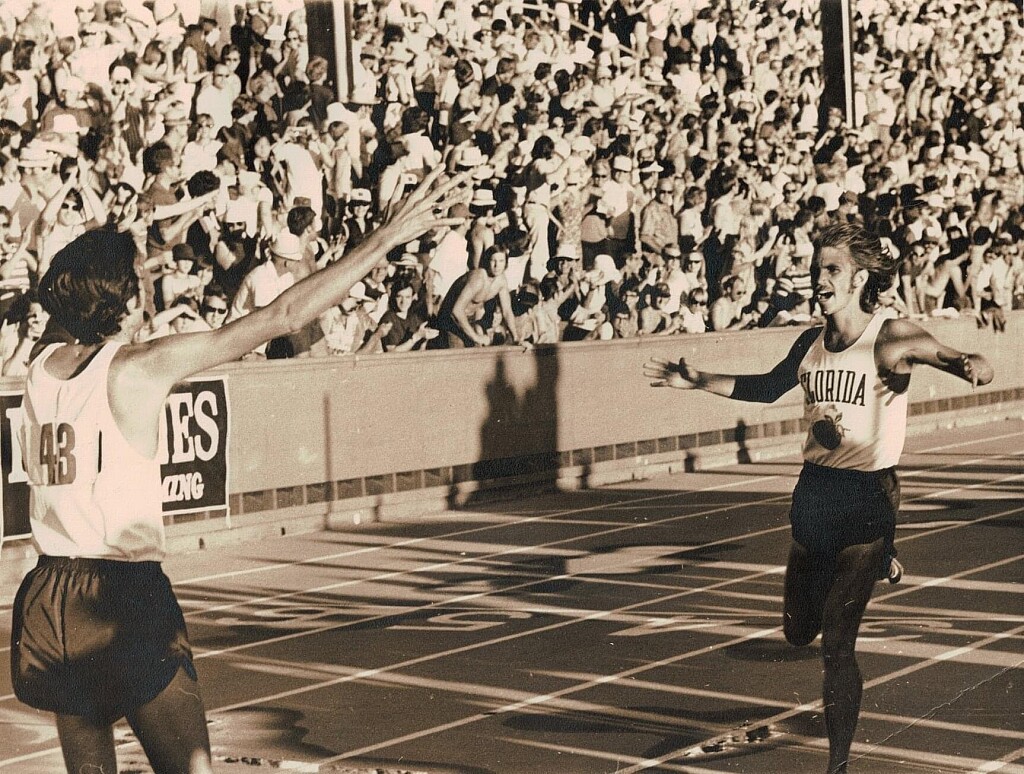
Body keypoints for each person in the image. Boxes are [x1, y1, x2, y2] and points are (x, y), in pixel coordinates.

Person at [9, 169, 467, 774]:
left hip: (51, 594)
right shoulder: (138, 368)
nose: (149, 286)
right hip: (123, 593)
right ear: (123, 297)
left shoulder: (41, 365)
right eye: (140, 278)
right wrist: (385, 238)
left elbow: (60, 296)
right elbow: (284, 315)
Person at [644, 221, 994, 774]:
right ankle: (878, 558)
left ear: (860, 279)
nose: (819, 278)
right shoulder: (809, 343)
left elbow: (964, 359)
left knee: (837, 642)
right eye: (816, 269)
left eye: (831, 269)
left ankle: (838, 765)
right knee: (798, 631)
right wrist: (699, 380)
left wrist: (973, 366)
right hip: (814, 494)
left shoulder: (890, 336)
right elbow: (766, 387)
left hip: (867, 496)